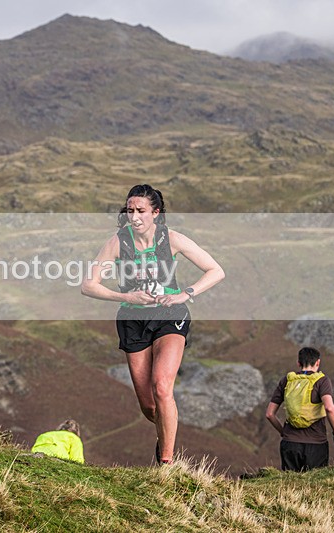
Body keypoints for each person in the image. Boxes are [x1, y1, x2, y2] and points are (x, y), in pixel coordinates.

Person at [81, 184, 225, 464]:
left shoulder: (172, 239)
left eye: (141, 211)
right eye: (130, 210)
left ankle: (167, 462)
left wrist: (187, 293)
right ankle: (164, 435)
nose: (134, 217)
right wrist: (125, 295)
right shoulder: (117, 242)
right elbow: (88, 285)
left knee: (162, 387)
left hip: (169, 315)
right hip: (132, 320)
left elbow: (216, 270)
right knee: (149, 405)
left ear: (156, 213)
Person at [265, 347, 334, 471]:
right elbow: (329, 408)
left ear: (298, 363)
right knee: (315, 486)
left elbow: (270, 414)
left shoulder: (288, 380)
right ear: (318, 362)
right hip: (316, 444)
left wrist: (283, 432)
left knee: (291, 485)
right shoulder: (322, 381)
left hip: (290, 443)